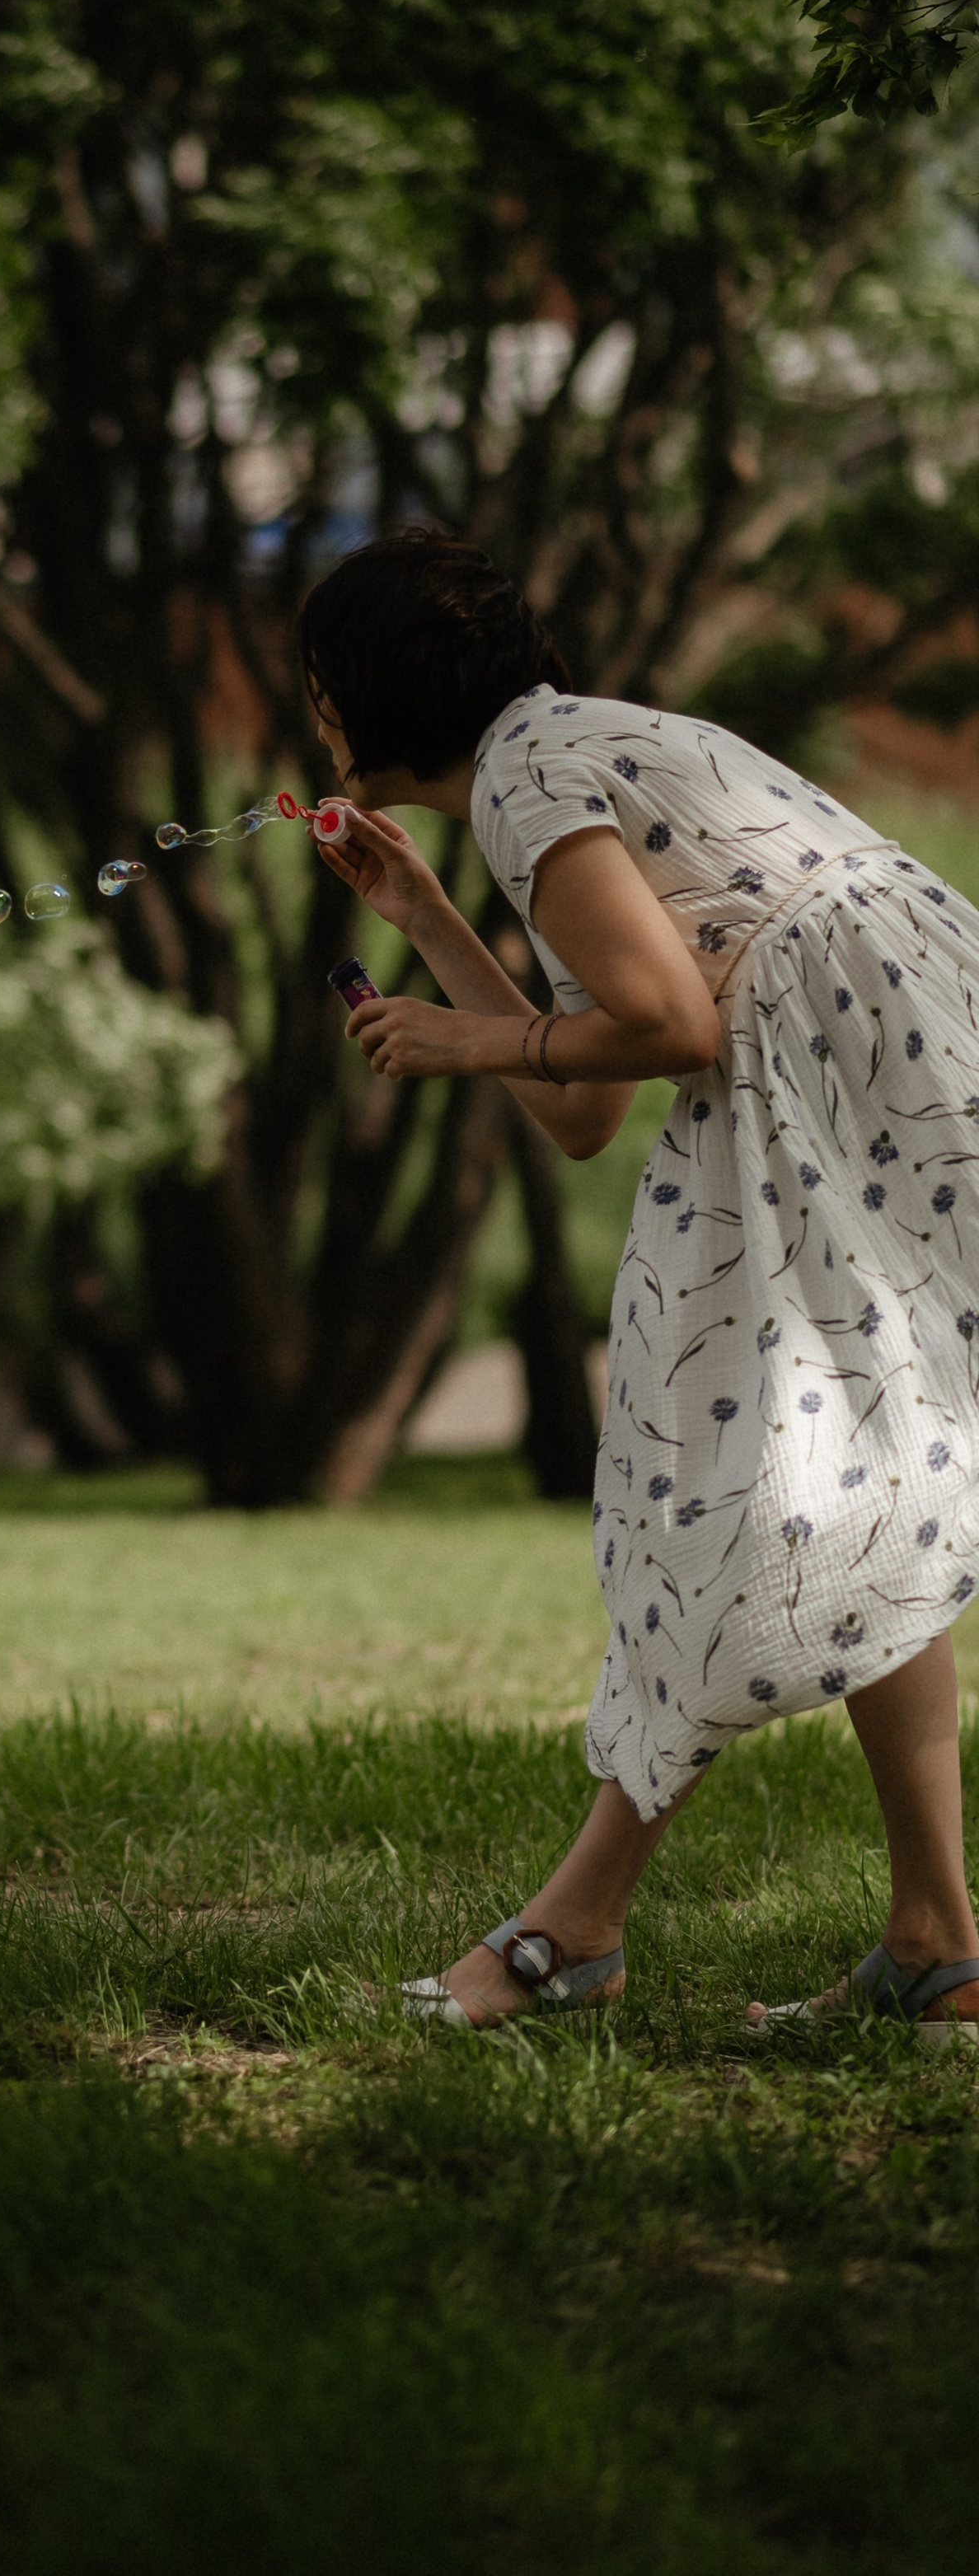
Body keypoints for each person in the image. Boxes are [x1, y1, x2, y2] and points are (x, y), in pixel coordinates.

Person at [297, 527, 979, 2037]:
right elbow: (586, 1101)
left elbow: (664, 1024)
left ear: (364, 691)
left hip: (843, 1097)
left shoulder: (532, 773)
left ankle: (575, 1923)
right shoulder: (550, 757)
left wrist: (455, 1037)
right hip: (884, 1082)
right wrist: (426, 921)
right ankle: (942, 1947)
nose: (314, 720)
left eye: (318, 685)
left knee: (725, 1479)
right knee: (843, 1470)